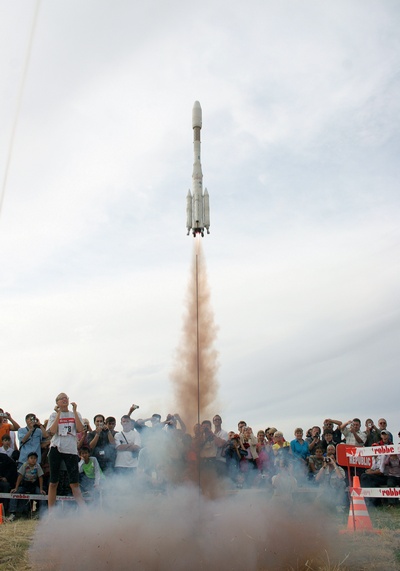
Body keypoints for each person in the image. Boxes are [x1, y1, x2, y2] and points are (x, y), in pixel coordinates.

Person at [46, 393, 86, 510]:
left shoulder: (75, 414)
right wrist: (59, 413)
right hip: (56, 447)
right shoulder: (54, 415)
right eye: (61, 398)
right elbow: (52, 431)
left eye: (66, 398)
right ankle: (51, 512)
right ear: (57, 402)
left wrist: (75, 411)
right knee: (53, 482)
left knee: (74, 483)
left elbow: (80, 429)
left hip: (71, 449)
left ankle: (85, 511)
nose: (64, 400)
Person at [8, 452, 46, 520]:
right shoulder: (25, 465)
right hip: (24, 485)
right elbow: (20, 476)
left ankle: (42, 513)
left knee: (42, 495)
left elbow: (40, 477)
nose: (33, 460)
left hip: (34, 485)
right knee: (14, 493)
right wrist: (16, 488)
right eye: (31, 458)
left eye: (35, 458)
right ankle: (12, 512)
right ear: (28, 459)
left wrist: (41, 489)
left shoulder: (37, 466)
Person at [315, 445, 346, 510]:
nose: (330, 460)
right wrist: (324, 466)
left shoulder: (339, 469)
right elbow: (317, 479)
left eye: (332, 459)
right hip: (325, 492)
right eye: (329, 459)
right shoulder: (324, 469)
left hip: (335, 491)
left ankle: (338, 505)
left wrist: (334, 464)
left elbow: (341, 478)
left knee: (343, 483)